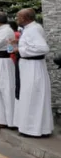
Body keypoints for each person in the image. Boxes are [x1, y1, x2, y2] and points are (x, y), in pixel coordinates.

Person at [13, 8, 53, 137]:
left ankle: (33, 129)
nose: (16, 19)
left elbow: (43, 48)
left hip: (33, 67)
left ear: (25, 18)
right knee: (29, 96)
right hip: (28, 66)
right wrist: (19, 44)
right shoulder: (30, 29)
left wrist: (20, 49)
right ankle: (30, 127)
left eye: (18, 17)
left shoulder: (34, 29)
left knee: (33, 96)